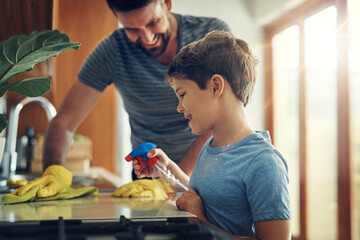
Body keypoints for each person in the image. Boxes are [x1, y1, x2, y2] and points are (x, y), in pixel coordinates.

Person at [41, 0, 231, 179]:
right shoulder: (113, 50)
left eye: (153, 22)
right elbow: (64, 123)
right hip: (149, 174)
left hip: (211, 170)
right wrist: (53, 174)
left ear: (166, 3)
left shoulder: (211, 35)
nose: (148, 39)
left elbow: (226, 114)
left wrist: (177, 177)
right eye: (132, 30)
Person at [134, 30, 291, 239]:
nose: (179, 108)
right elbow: (201, 198)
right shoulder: (210, 147)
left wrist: (202, 224)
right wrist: (166, 171)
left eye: (182, 94)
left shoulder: (263, 162)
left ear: (216, 86)